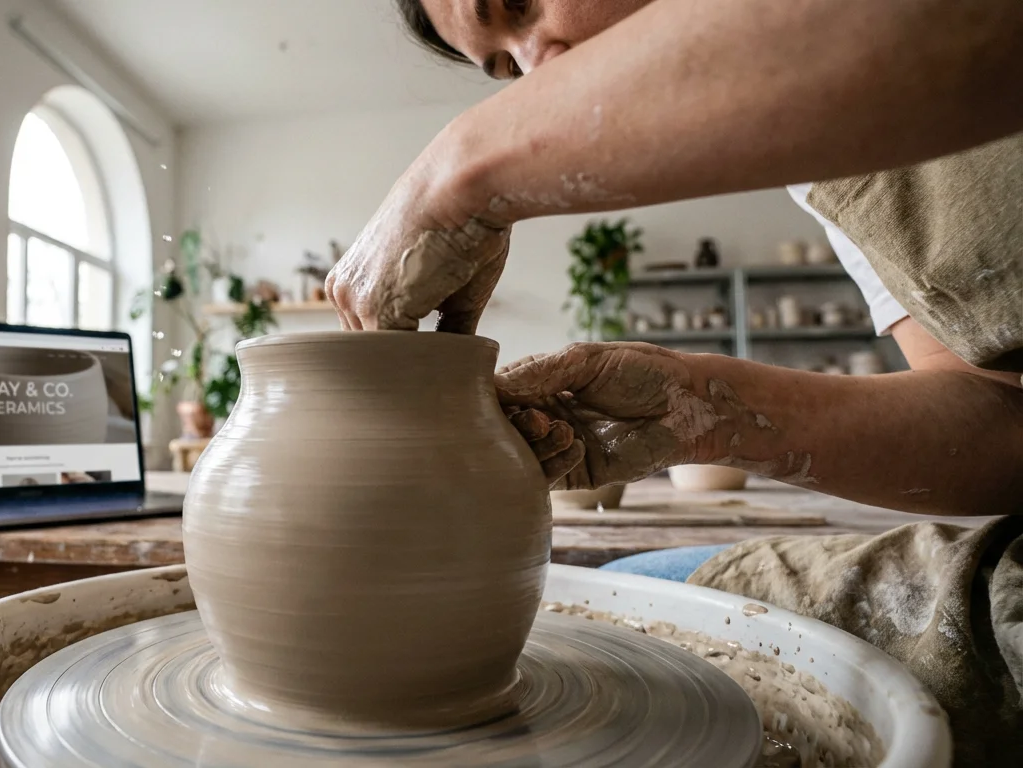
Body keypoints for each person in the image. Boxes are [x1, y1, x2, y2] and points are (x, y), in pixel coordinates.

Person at [325, 1, 1023, 763]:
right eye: (504, 68)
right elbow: (1001, 414)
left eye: (521, 5)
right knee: (624, 602)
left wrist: (458, 171)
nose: (536, 70)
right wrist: (703, 411)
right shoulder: (822, 167)